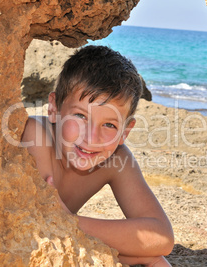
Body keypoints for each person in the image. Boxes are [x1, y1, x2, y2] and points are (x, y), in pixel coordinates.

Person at [22, 45, 174, 266]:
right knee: (151, 259)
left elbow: (162, 238)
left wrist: (71, 221)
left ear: (125, 131)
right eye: (80, 116)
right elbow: (44, 226)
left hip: (62, 236)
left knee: (157, 260)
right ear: (54, 108)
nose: (93, 138)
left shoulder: (116, 159)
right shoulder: (35, 134)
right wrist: (137, 254)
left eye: (110, 125)